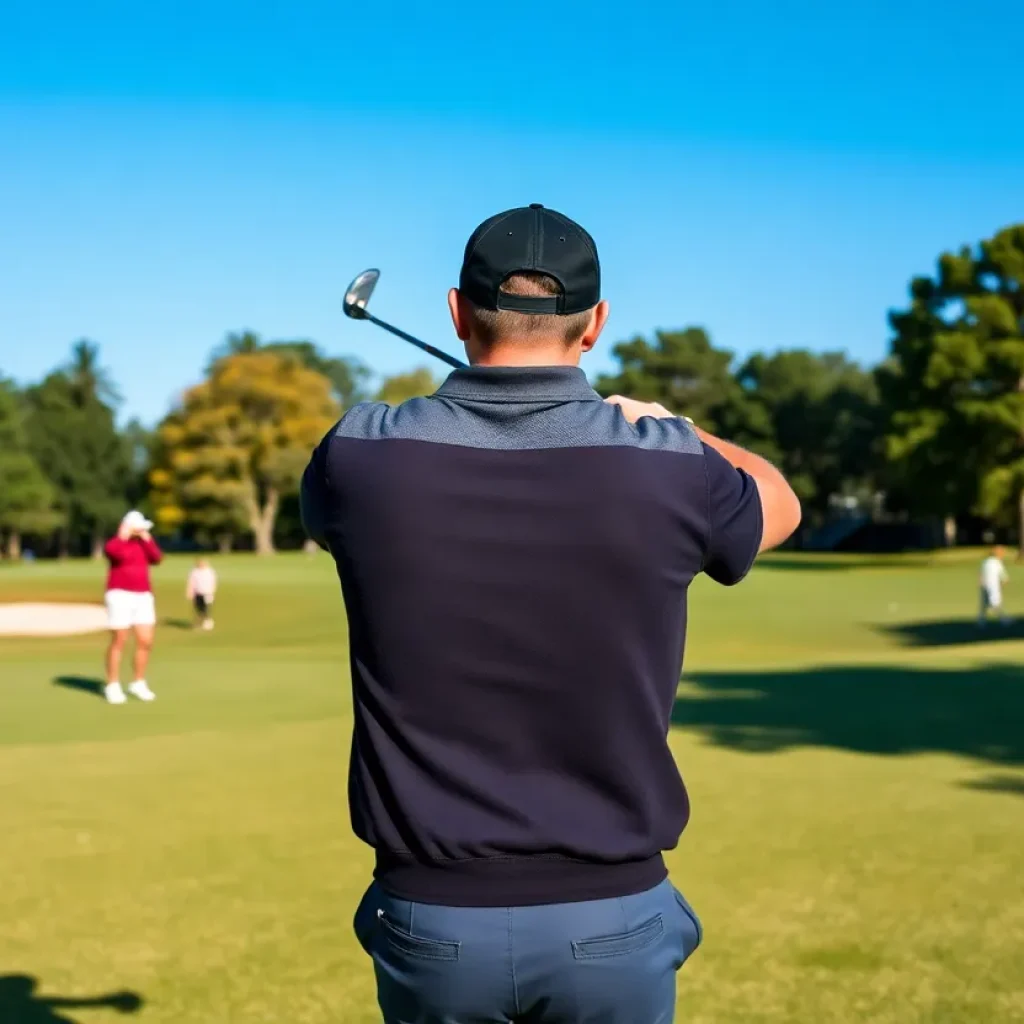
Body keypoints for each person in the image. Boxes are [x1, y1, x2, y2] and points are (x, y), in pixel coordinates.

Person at [300, 204, 802, 1024]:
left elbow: (334, 514)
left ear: (457, 311)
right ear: (595, 323)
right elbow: (779, 503)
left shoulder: (357, 453)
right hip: (612, 921)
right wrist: (677, 428)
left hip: (431, 920)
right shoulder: (671, 467)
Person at [102, 510, 162, 704]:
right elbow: (113, 553)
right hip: (119, 595)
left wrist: (146, 538)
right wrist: (123, 535)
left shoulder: (144, 544)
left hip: (143, 595)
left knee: (146, 640)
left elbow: (157, 558)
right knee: (120, 639)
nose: (142, 530)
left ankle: (138, 682)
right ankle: (112, 685)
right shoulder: (115, 543)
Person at [978, 545, 1010, 626]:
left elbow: (981, 575)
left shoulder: (985, 561)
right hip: (993, 586)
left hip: (984, 586)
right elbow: (1005, 578)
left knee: (984, 605)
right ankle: (1003, 620)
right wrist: (1002, 585)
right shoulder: (997, 563)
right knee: (996, 604)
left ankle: (981, 622)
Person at [185, 557, 217, 630]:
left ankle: (207, 621)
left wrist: (212, 591)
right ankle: (200, 620)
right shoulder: (194, 572)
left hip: (207, 593)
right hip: (197, 593)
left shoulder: (209, 571)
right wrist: (189, 592)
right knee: (198, 607)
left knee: (206, 607)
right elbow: (191, 582)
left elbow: (213, 582)